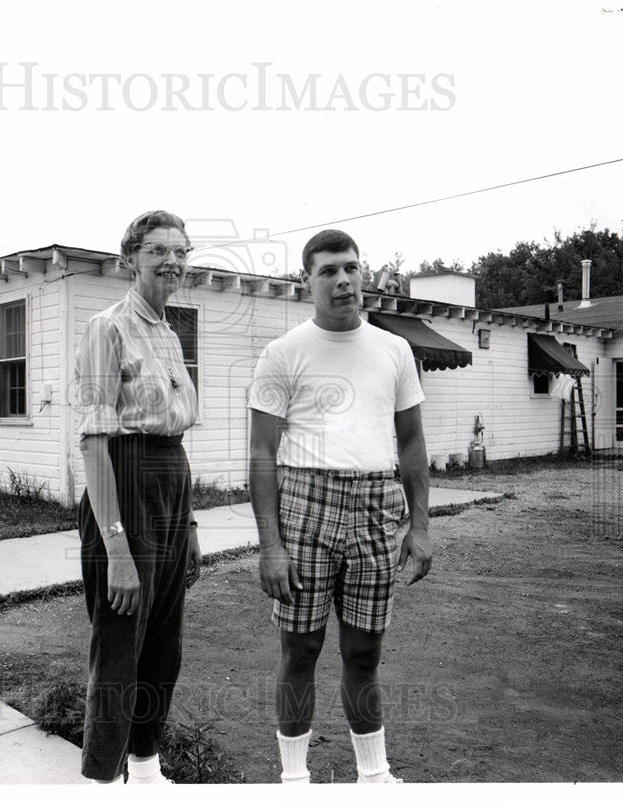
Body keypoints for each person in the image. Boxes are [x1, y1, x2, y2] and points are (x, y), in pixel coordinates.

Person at [247, 229, 432, 784]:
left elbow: (413, 444)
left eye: (351, 267)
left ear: (363, 274)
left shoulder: (395, 349)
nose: (343, 279)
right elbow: (261, 451)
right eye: (328, 271)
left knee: (364, 653)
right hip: (305, 505)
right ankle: (293, 782)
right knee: (300, 650)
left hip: (377, 505)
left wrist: (419, 527)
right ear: (308, 282)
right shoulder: (283, 353)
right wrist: (271, 545)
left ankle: (373, 780)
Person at [74, 210, 202, 784]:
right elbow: (95, 444)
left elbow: (172, 435)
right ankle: (102, 782)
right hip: (123, 485)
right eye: (157, 250)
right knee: (121, 646)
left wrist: (190, 524)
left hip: (171, 488)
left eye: (180, 250)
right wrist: (117, 549)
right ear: (130, 259)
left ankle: (147, 775)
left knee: (163, 647)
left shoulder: (170, 333)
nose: (171, 260)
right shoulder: (108, 328)